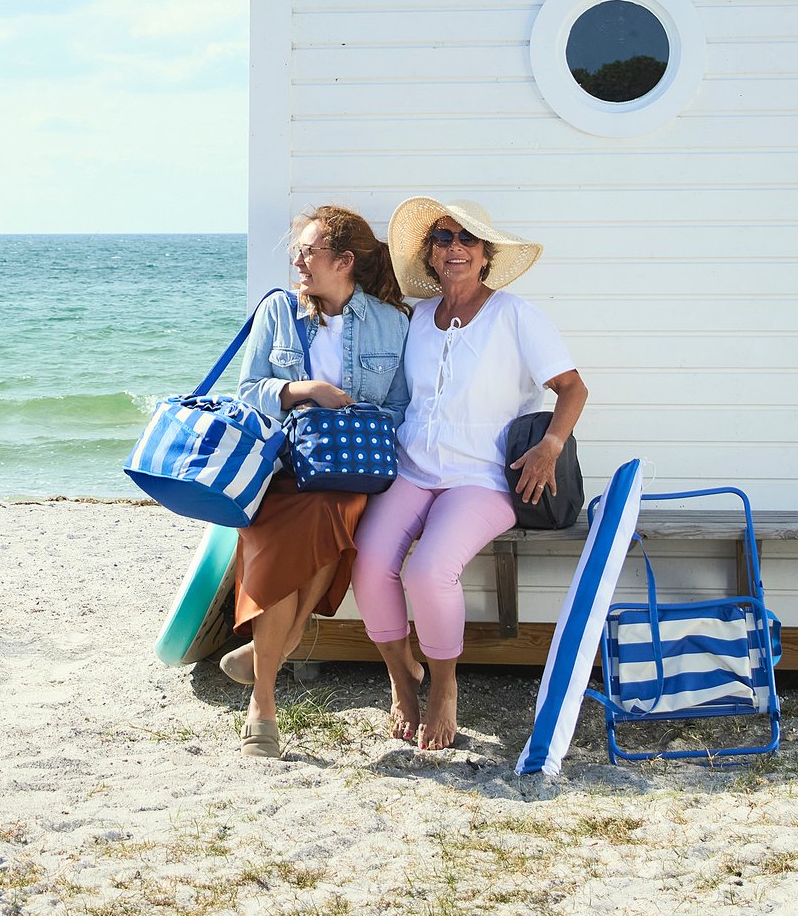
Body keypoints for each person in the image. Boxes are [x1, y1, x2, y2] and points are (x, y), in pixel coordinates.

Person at [352, 198, 588, 752]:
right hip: (413, 470)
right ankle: (401, 676)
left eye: (466, 239)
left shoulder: (515, 315)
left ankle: (443, 689)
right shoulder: (417, 322)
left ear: (485, 255)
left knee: (429, 571)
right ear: (430, 257)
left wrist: (550, 447)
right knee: (367, 564)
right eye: (442, 239)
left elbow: (573, 388)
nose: (454, 247)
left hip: (481, 478)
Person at [226, 206, 411, 758]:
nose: (297, 260)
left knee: (330, 513)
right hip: (284, 466)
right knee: (302, 526)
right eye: (297, 250)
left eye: (308, 251)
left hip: (351, 470)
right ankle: (265, 691)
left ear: (344, 261)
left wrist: (356, 424)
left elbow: (401, 406)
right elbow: (247, 391)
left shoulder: (390, 322)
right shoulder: (277, 312)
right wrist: (306, 391)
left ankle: (265, 682)